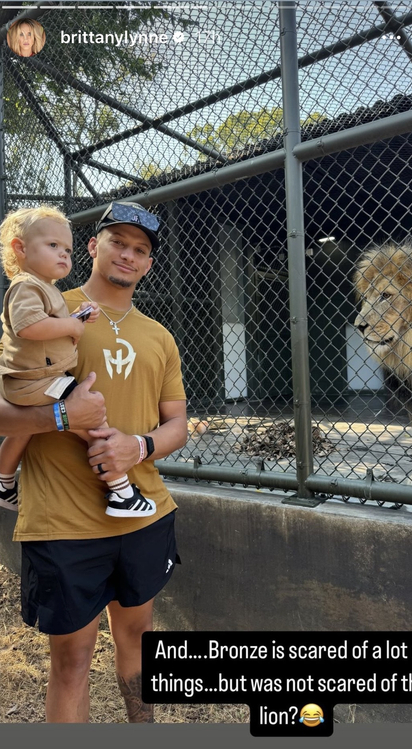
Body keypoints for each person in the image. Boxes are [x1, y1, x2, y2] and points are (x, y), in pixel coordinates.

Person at [13, 200, 188, 723]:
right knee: (71, 662)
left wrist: (139, 447)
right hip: (64, 521)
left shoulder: (160, 336)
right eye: (119, 242)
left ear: (149, 262)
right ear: (93, 246)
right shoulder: (42, 308)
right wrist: (64, 417)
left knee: (138, 642)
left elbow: (176, 424)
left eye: (141, 250)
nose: (129, 256)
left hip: (144, 513)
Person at [0, 205, 156, 518]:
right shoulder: (27, 285)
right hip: (37, 379)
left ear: (148, 265)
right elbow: (28, 326)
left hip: (39, 376)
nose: (63, 255)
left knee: (52, 422)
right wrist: (73, 325)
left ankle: (3, 481)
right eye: (53, 246)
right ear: (20, 249)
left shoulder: (45, 289)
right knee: (93, 421)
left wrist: (75, 318)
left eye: (66, 249)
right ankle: (122, 491)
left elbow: (47, 326)